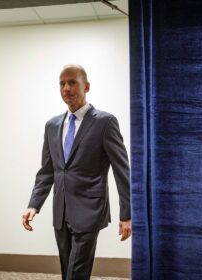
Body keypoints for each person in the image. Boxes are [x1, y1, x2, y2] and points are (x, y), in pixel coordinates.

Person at [22, 64, 131, 280]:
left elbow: (122, 171)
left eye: (72, 82)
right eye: (62, 84)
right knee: (68, 270)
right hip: (61, 211)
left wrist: (127, 214)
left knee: (76, 272)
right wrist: (34, 204)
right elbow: (47, 171)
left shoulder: (105, 122)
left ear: (86, 86)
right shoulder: (52, 125)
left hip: (90, 209)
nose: (66, 88)